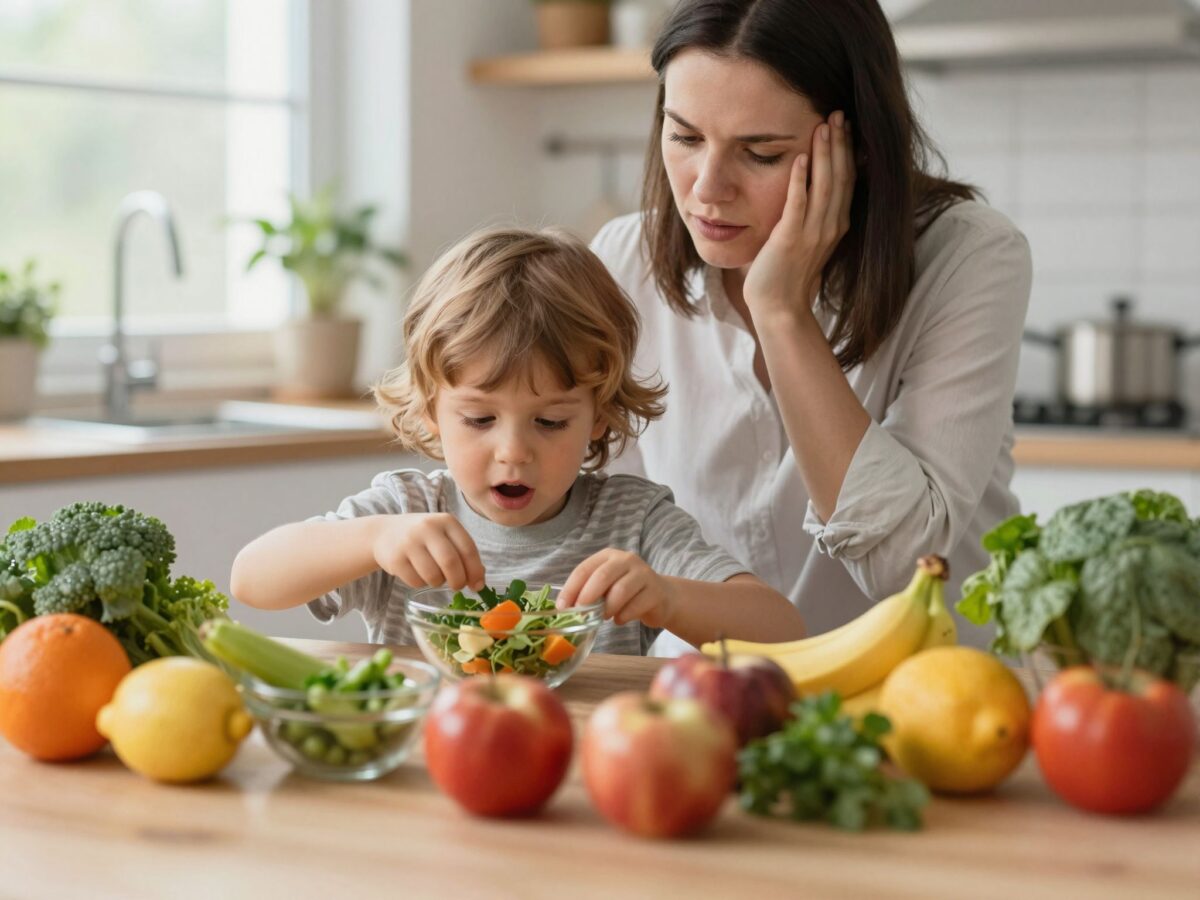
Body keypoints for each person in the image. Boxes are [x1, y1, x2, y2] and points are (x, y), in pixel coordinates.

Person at [589, 0, 1033, 645]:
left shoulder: (968, 255)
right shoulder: (624, 259)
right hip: (708, 688)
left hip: (929, 684)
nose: (707, 188)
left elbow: (902, 563)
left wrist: (781, 312)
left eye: (761, 153)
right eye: (685, 137)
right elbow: (606, 525)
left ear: (855, 148)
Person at [230, 226, 805, 654]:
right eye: (480, 420)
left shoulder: (633, 522)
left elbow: (783, 631)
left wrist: (670, 597)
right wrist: (374, 538)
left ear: (599, 415)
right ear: (431, 411)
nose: (513, 451)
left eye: (550, 422)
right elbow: (251, 579)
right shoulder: (407, 513)